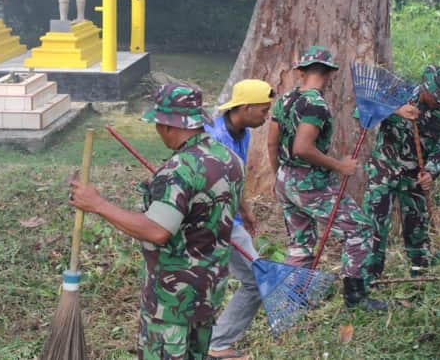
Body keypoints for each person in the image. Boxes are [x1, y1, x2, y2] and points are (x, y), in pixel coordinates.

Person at [70, 84, 244, 360]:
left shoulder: (178, 171)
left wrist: (97, 204)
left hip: (171, 303)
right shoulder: (229, 159)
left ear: (167, 125)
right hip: (207, 292)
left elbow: (157, 231)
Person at [267, 46, 386, 311]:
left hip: (285, 177)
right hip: (309, 181)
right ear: (330, 74)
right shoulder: (316, 105)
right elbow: (302, 147)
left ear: (301, 71)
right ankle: (355, 297)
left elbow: (272, 144)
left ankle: (293, 300)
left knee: (300, 241)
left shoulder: (284, 100)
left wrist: (280, 178)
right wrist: (339, 165)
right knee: (359, 228)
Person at [205, 79, 274, 360]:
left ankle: (212, 340)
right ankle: (217, 344)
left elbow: (235, 179)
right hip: (213, 221)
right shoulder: (215, 138)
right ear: (245, 107)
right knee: (257, 281)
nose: (266, 117)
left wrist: (244, 209)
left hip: (230, 218)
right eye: (263, 111)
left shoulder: (243, 132)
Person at [363, 64, 440, 280]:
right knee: (375, 225)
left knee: (417, 226)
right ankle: (370, 277)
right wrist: (394, 109)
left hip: (415, 174)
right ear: (425, 87)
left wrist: (431, 172)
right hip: (383, 169)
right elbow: (362, 111)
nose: (437, 102)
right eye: (434, 96)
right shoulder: (399, 92)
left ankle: (420, 276)